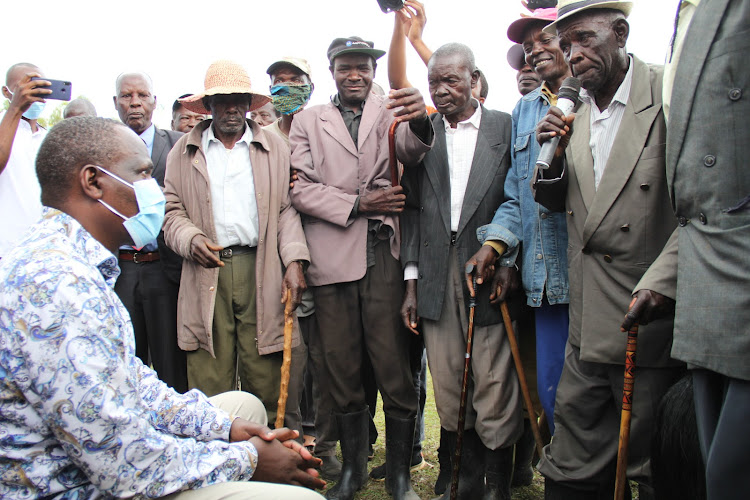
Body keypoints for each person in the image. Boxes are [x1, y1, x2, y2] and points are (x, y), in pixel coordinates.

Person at [0, 116, 326, 499]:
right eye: (140, 173)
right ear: (93, 182)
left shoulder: (72, 262)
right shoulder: (57, 287)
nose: (152, 188)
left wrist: (225, 429)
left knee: (244, 409)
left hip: (108, 466)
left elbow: (134, 387)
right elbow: (125, 465)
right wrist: (249, 459)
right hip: (81, 486)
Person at [531, 1, 683, 498]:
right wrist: (548, 161)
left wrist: (665, 281)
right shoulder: (570, 110)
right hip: (588, 322)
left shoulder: (670, 91)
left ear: (620, 33)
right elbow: (560, 204)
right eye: (567, 44)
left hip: (651, 325)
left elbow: (707, 208)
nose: (573, 54)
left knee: (656, 467)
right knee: (571, 467)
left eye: (586, 39)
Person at [290, 36, 433, 500]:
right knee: (341, 366)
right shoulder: (308, 121)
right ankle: (352, 470)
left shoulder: (392, 110)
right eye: (346, 67)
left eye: (364, 67)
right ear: (332, 70)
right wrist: (359, 202)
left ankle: (398, 476)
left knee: (393, 363)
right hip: (330, 259)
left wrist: (421, 117)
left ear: (374, 70)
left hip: (383, 257)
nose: (356, 74)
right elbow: (299, 190)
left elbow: (412, 151)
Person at [401, 43, 523, 500]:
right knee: (449, 380)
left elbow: (519, 200)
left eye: (452, 80)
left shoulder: (505, 128)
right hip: (433, 275)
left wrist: (506, 258)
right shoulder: (423, 135)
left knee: (493, 379)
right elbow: (411, 212)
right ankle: (464, 479)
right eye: (435, 82)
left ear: (474, 80)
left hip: (486, 272)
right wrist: (411, 280)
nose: (443, 90)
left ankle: (497, 484)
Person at [163, 60, 310, 428]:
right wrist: (190, 238)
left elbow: (286, 210)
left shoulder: (274, 147)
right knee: (209, 373)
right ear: (208, 106)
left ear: (249, 103)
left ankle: (269, 461)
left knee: (265, 367)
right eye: (222, 100)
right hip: (206, 268)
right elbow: (171, 211)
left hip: (261, 266)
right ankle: (219, 462)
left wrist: (294, 262)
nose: (231, 108)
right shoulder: (184, 150)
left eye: (238, 100)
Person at [648, 0, 749, 498]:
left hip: (742, 277)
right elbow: (701, 197)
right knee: (720, 474)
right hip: (708, 292)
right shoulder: (689, 15)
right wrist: (666, 278)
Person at [468, 6, 570, 488]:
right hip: (547, 285)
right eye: (527, 43)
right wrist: (495, 244)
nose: (534, 48)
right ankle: (562, 482)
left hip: (604, 279)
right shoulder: (526, 111)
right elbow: (515, 196)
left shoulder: (599, 96)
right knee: (554, 396)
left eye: (543, 36)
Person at [264, 56, 342, 480]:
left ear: (310, 87)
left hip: (331, 259)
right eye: (278, 81)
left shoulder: (323, 124)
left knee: (328, 360)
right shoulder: (263, 136)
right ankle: (292, 443)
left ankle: (326, 446)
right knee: (291, 363)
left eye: (295, 81)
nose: (286, 88)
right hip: (281, 267)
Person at [112, 71, 187, 393]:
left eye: (142, 95)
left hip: (164, 267)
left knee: (171, 359)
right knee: (127, 356)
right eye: (127, 97)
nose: (135, 103)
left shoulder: (179, 145)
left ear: (154, 102)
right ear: (116, 103)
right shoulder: (105, 147)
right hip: (122, 268)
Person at [0, 63, 50, 259]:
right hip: (5, 252)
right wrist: (16, 107)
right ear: (7, 92)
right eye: (28, 86)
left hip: (42, 252)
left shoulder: (48, 138)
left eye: (41, 87)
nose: (35, 93)